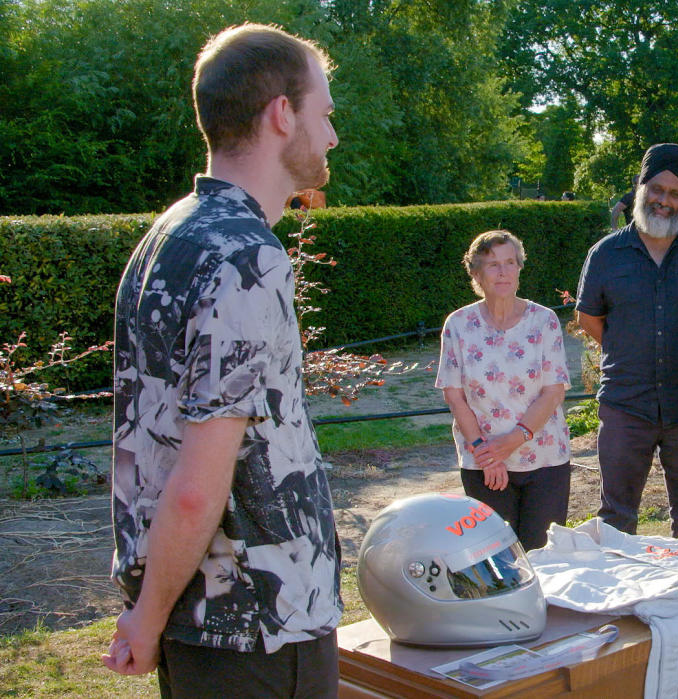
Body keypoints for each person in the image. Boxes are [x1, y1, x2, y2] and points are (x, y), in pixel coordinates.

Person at [104, 24, 343, 696]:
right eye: (325, 114)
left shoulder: (168, 235)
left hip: (205, 623)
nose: (332, 137)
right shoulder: (248, 257)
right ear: (281, 113)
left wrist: (152, 608)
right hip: (259, 629)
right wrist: (146, 619)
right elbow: (194, 482)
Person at [576, 143, 678, 537]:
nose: (663, 201)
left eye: (674, 194)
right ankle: (617, 598)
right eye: (656, 189)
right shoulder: (606, 254)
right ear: (640, 188)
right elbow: (588, 317)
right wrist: (627, 349)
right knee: (615, 519)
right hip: (624, 405)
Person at [436, 230, 573, 551]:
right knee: (497, 557)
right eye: (493, 264)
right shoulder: (457, 325)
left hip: (545, 458)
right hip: (484, 463)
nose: (503, 272)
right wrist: (488, 454)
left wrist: (511, 441)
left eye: (510, 262)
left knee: (543, 556)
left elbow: (553, 392)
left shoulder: (544, 321)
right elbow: (454, 396)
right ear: (476, 274)